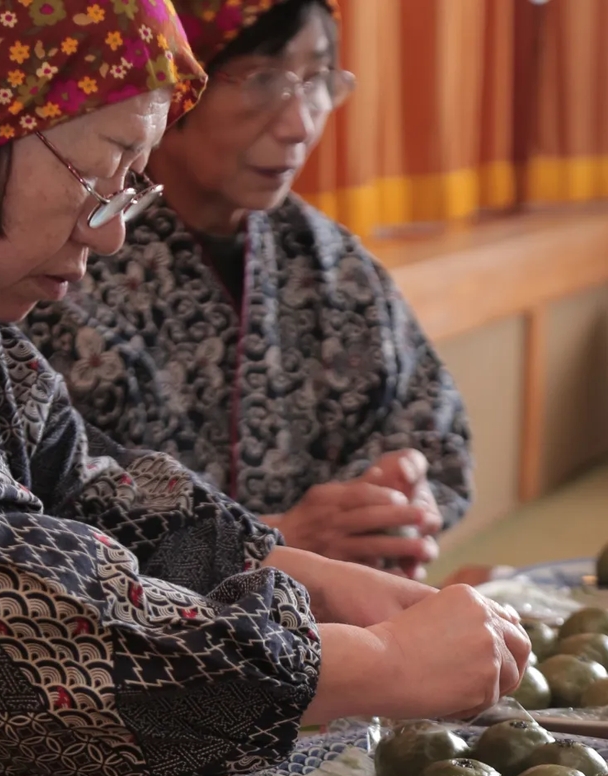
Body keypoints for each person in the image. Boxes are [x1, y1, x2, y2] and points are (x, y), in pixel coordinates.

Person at [0, 1, 527, 776]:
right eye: (100, 178)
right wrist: (366, 663)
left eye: (131, 188)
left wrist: (288, 571)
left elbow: (75, 478)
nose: (110, 233)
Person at [24, 0, 473, 579]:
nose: (301, 123)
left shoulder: (327, 261)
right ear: (172, 85)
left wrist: (393, 499)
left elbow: (430, 427)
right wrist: (274, 539)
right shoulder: (62, 264)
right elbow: (31, 523)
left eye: (318, 82)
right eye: (264, 81)